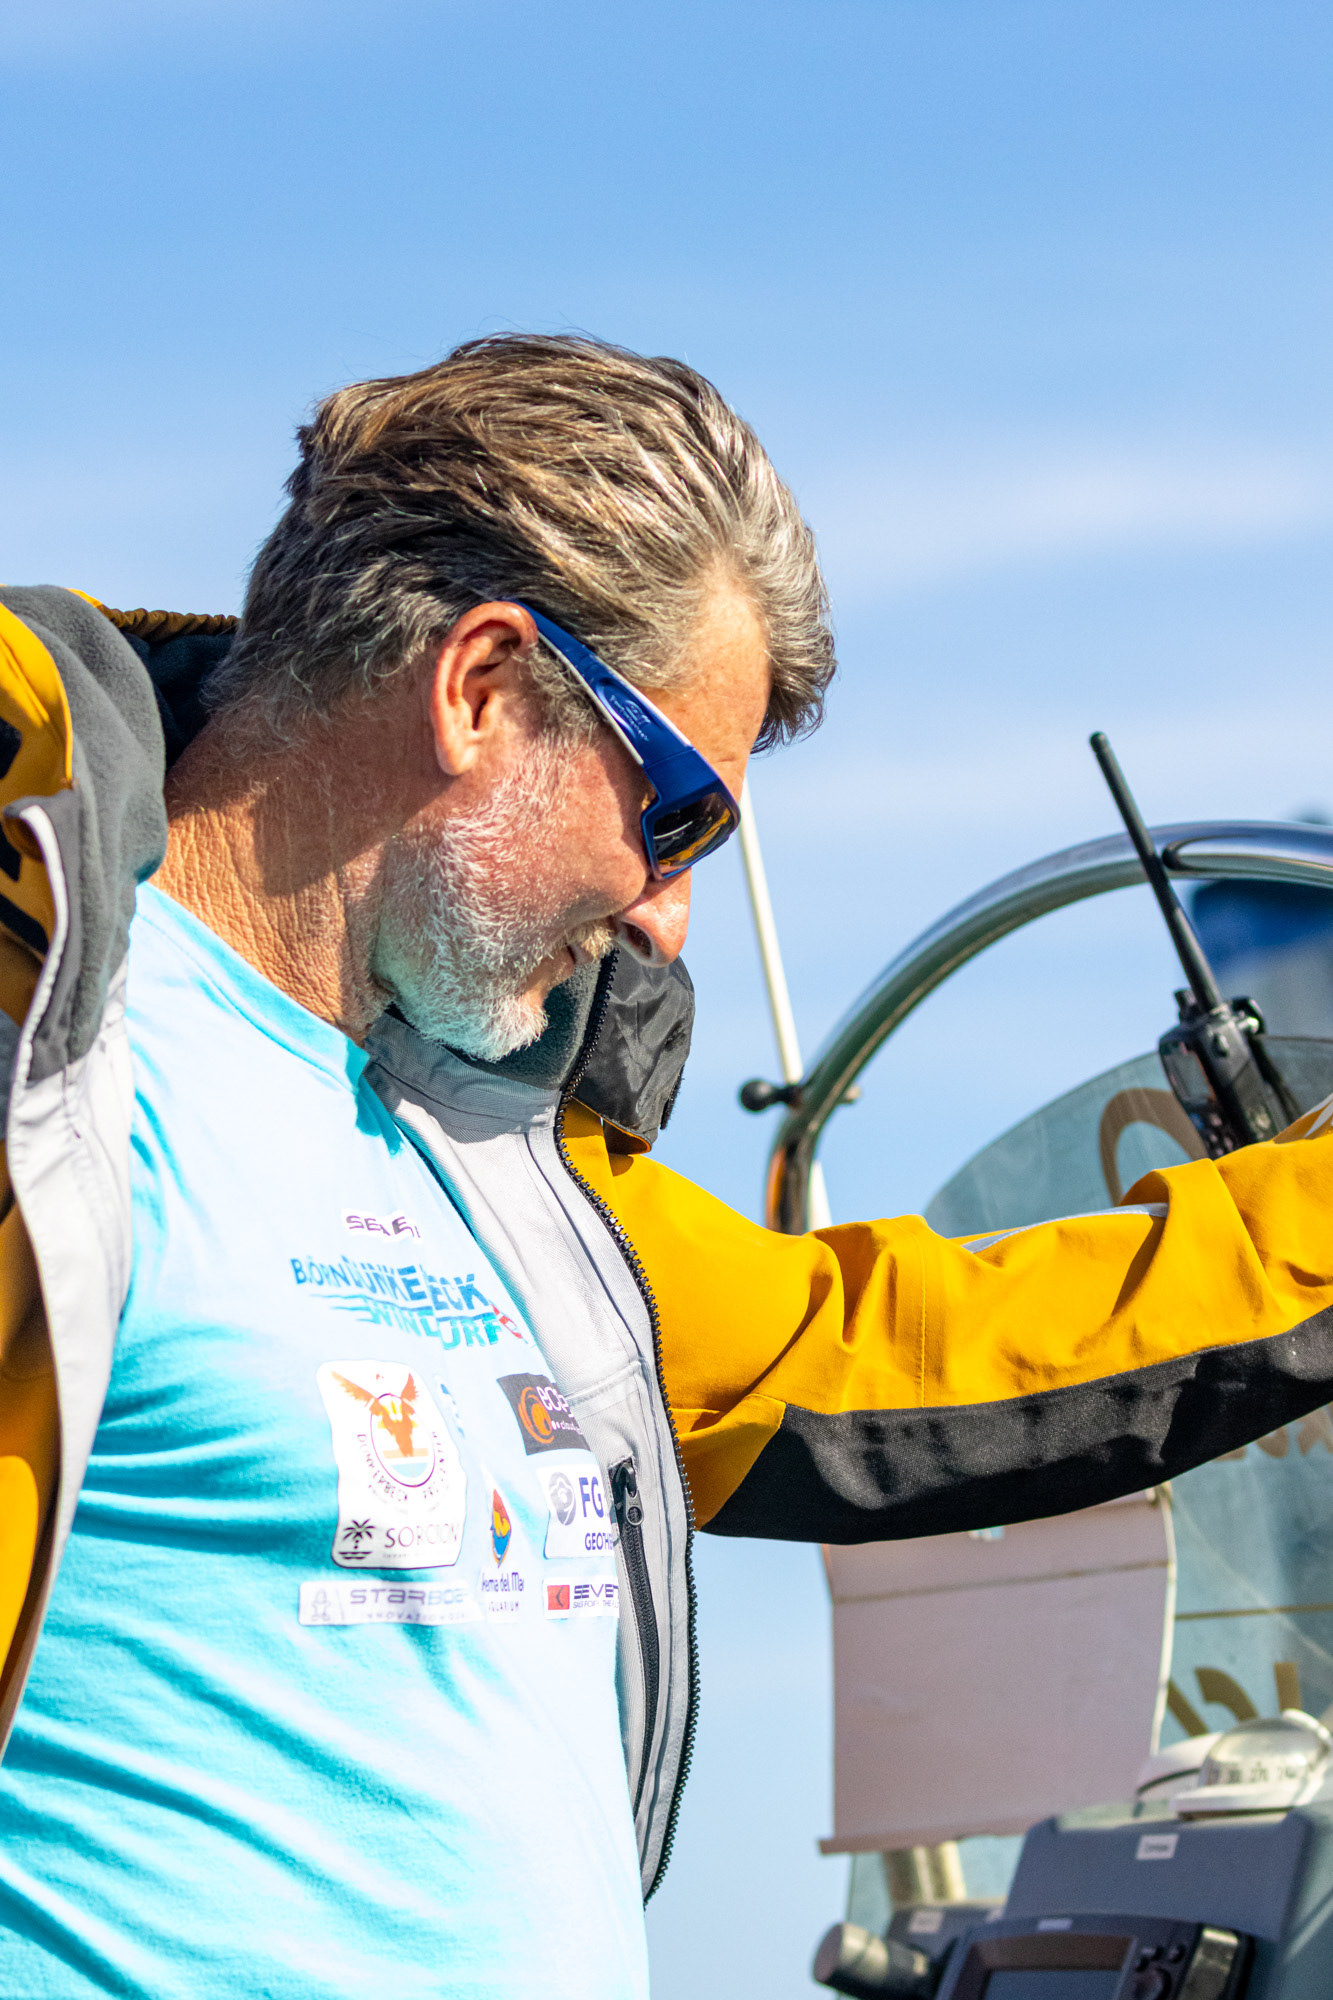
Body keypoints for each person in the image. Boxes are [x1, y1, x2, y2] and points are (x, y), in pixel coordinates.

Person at [0, 333, 1330, 1999]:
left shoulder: (497, 1156)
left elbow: (875, 1358)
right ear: (481, 689)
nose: (667, 914)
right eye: (677, 812)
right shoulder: (49, 1084)